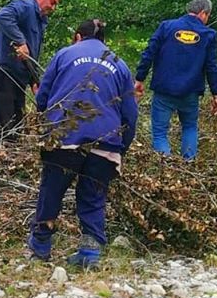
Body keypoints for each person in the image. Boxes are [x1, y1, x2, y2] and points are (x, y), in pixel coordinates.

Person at [27, 18, 138, 266]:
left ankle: (41, 246)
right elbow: (130, 113)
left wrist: (45, 122)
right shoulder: (119, 64)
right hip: (105, 139)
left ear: (78, 37)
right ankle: (90, 252)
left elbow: (43, 98)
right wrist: (121, 147)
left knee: (52, 189)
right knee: (93, 195)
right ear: (103, 40)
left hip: (64, 135)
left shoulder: (64, 55)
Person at [134, 0, 217, 160]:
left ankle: (166, 167)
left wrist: (139, 79)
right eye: (208, 15)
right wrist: (216, 94)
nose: (207, 19)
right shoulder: (208, 35)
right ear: (203, 13)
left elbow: (149, 53)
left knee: (160, 133)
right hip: (190, 92)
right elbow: (211, 66)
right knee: (189, 127)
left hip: (164, 90)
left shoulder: (166, 27)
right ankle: (188, 163)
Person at [0, 0, 60, 139]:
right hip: (3, 74)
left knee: (17, 126)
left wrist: (34, 81)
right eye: (52, 2)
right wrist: (20, 41)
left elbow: (30, 54)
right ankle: (0, 152)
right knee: (4, 128)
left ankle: (9, 151)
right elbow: (2, 16)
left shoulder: (40, 20)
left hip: (18, 78)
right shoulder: (25, 6)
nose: (53, 8)